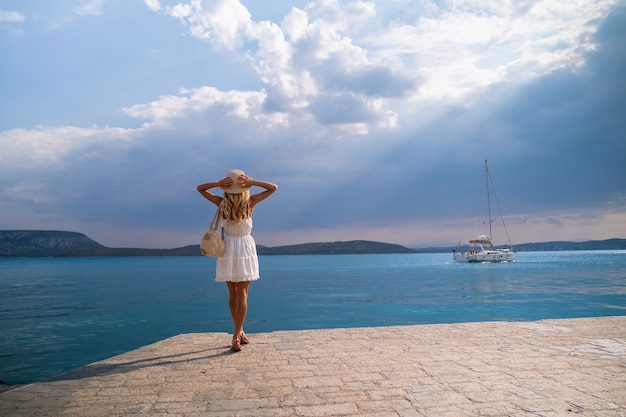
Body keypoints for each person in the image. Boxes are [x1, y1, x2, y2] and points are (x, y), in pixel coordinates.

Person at [197, 169, 277, 352]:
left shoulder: (220, 203)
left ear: (227, 187)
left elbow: (200, 189)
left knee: (233, 292)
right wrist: (253, 182)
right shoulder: (251, 202)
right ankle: (236, 335)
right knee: (242, 291)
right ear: (243, 186)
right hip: (245, 248)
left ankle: (238, 331)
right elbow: (273, 188)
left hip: (228, 249)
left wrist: (217, 184)